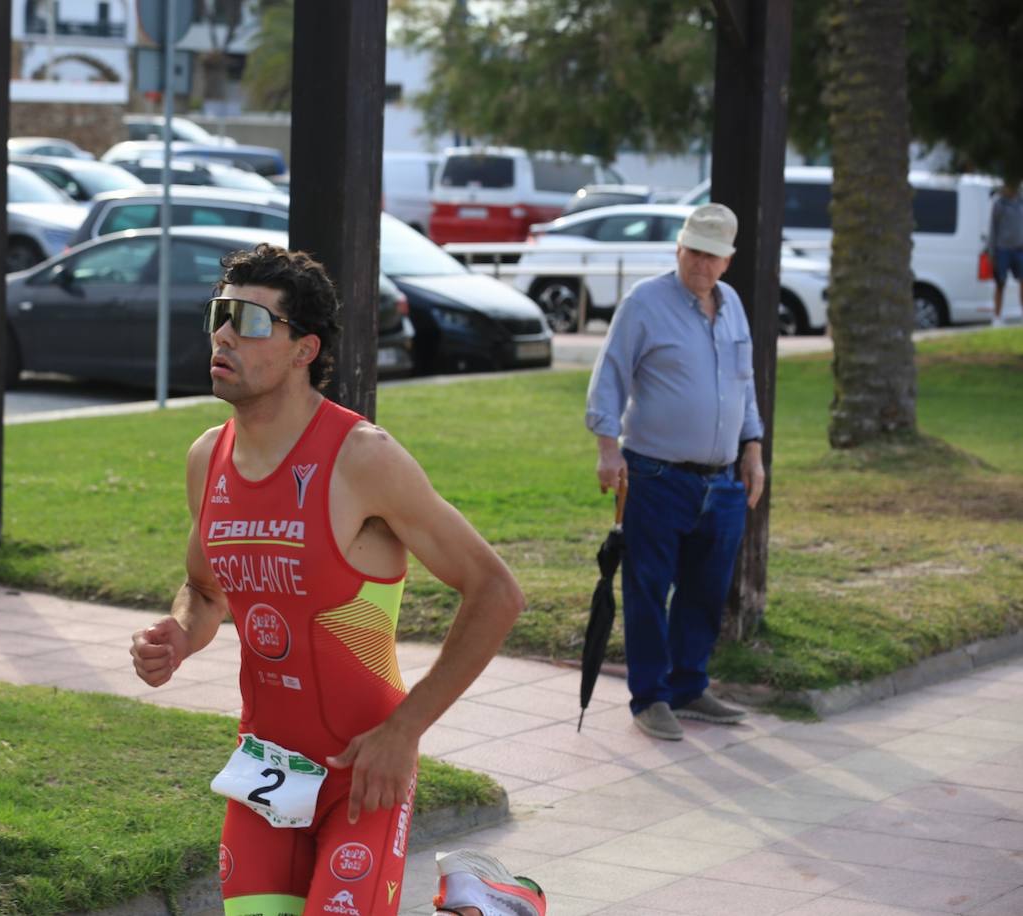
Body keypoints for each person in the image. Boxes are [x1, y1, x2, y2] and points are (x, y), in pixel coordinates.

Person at [129, 244, 540, 916]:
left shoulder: (362, 457)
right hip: (265, 770)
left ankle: (493, 903)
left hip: (365, 771)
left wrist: (404, 731)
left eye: (251, 321)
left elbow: (497, 591)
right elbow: (204, 591)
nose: (225, 334)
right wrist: (178, 635)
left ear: (304, 349)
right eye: (220, 314)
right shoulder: (207, 457)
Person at [584, 203, 766, 742]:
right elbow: (609, 376)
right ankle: (651, 697)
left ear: (728, 261)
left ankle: (689, 686)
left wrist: (753, 450)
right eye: (695, 253)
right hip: (656, 475)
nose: (702, 265)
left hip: (723, 479)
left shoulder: (732, 306)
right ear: (678, 249)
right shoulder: (645, 302)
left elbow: (744, 384)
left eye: (713, 256)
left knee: (706, 591)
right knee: (648, 588)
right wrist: (607, 449)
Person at [989, 180, 1023, 328]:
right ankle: (997, 318)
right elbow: (993, 229)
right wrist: (992, 252)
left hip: (1020, 249)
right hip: (1002, 249)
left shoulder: (1021, 202)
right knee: (1000, 284)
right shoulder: (999, 204)